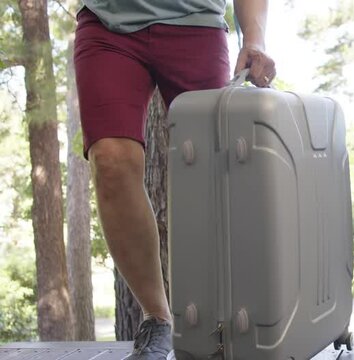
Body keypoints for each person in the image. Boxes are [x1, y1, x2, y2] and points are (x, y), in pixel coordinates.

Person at [74, 1, 275, 358]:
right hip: (108, 24)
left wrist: (255, 38)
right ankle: (157, 318)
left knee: (219, 169)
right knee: (111, 161)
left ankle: (227, 318)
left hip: (195, 23)